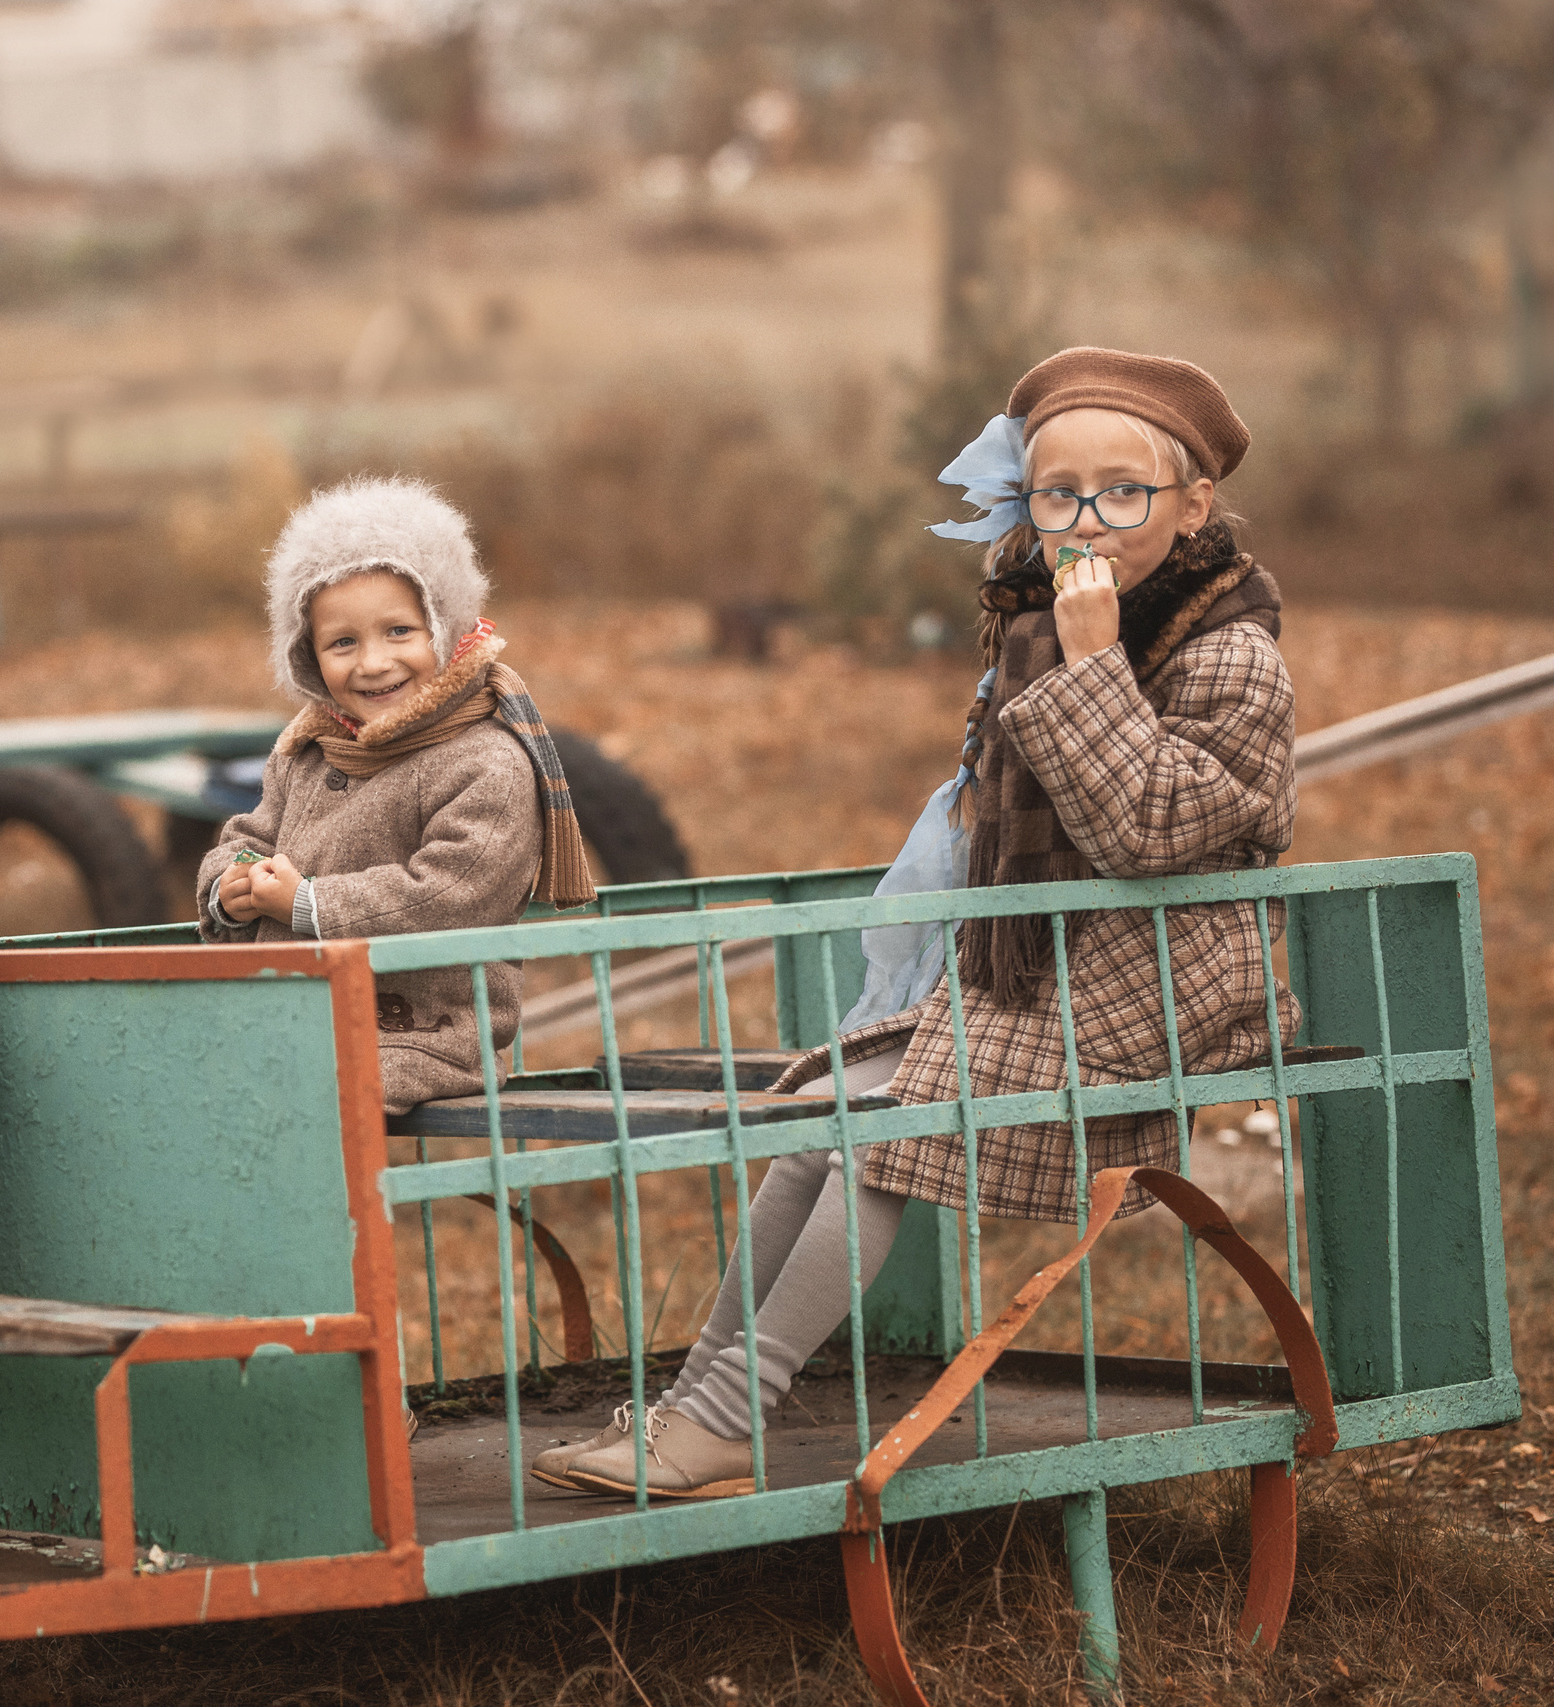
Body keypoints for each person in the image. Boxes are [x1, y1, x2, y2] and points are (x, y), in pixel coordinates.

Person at [549, 347, 1300, 1498]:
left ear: (1194, 503)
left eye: (1124, 491)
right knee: (814, 1111)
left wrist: (1094, 664)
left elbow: (1149, 835)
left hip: (1159, 981)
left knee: (882, 1126)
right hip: (1036, 962)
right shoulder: (1036, 624)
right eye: (1060, 494)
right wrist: (1068, 652)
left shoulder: (1231, 656)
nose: (1088, 519)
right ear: (1028, 500)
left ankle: (715, 1422)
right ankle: (696, 1417)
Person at [196, 475, 597, 1115]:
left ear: (447, 627)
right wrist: (232, 887)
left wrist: (307, 905)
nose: (373, 663)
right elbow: (250, 835)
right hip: (290, 1013)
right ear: (308, 655)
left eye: (400, 632)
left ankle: (323, 1215)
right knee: (185, 1086)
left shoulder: (483, 761)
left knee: (297, 1103)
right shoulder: (312, 748)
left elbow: (448, 893)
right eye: (342, 642)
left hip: (417, 1035)